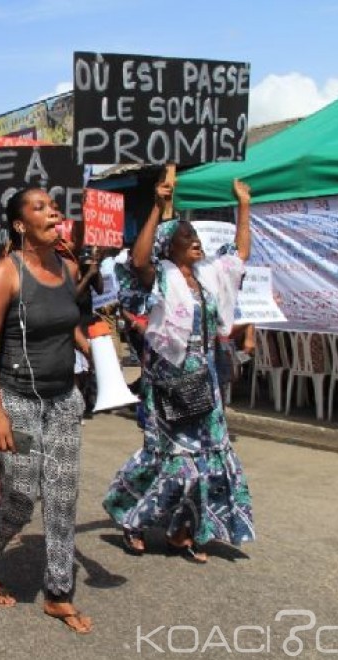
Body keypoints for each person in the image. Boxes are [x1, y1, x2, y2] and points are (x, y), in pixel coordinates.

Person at [103, 177, 256, 564]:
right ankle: (132, 518)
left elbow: (239, 254)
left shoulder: (206, 276)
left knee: (208, 458)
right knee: (172, 460)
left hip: (204, 379)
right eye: (184, 235)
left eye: (195, 234)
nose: (194, 240)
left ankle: (182, 532)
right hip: (168, 379)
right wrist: (156, 206)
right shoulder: (161, 278)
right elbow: (138, 261)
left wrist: (243, 206)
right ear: (168, 248)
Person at [0, 188, 93, 634]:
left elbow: (67, 322)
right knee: (21, 496)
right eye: (39, 207)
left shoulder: (68, 267)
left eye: (52, 205)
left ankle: (58, 593)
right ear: (20, 225)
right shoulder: (7, 272)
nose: (52, 212)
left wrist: (89, 346)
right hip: (15, 402)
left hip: (62, 402)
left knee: (62, 495)